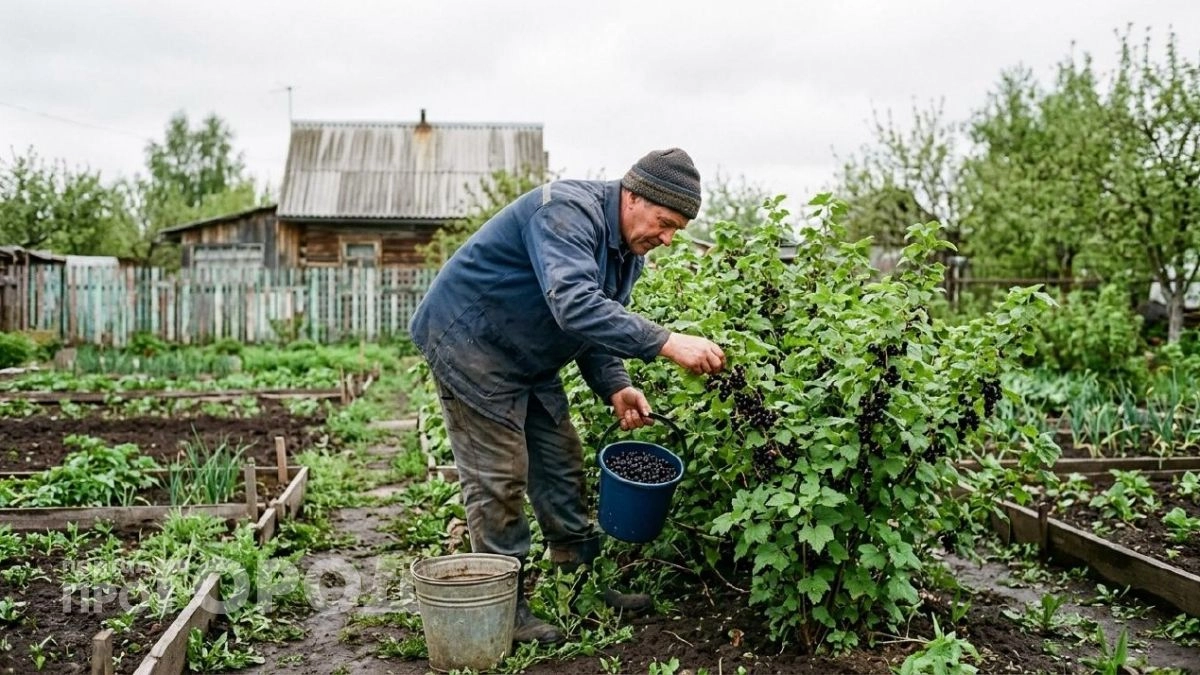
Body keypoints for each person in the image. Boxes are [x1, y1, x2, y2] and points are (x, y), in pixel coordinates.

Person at [409, 148, 726, 644]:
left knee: (561, 463)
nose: (666, 239)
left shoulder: (627, 255)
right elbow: (574, 303)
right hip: (472, 345)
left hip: (529, 358)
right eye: (664, 223)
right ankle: (503, 609)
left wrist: (616, 384)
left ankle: (577, 585)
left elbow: (596, 325)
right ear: (633, 195)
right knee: (500, 476)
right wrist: (667, 341)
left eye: (676, 231)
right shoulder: (564, 212)